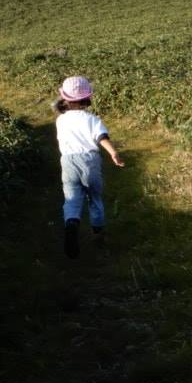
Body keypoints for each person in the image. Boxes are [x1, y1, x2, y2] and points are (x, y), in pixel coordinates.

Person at [53, 75, 124, 258]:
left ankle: (71, 223)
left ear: (65, 98)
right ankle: (98, 234)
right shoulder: (92, 119)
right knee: (94, 198)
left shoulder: (60, 121)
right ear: (86, 98)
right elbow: (101, 137)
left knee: (72, 199)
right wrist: (113, 153)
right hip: (90, 161)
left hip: (68, 161)